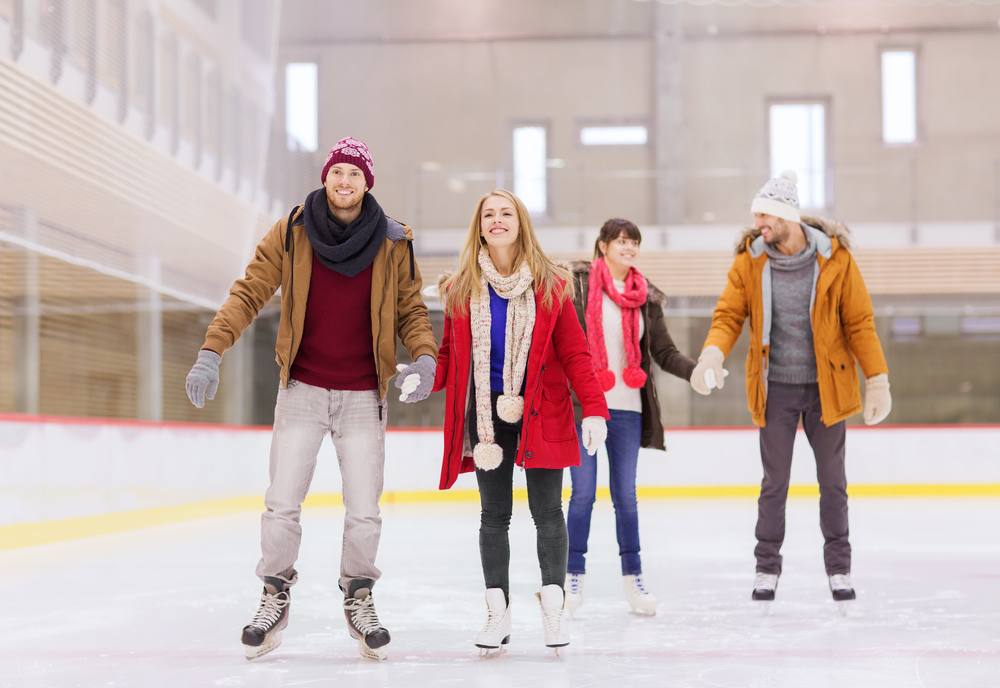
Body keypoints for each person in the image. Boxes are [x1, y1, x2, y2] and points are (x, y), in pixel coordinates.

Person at [184, 136, 437, 660]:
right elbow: (249, 290)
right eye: (338, 171)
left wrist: (425, 357)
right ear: (326, 176)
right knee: (281, 503)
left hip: (364, 393)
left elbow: (411, 309)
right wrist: (212, 349)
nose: (345, 181)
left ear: (367, 183)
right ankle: (274, 595)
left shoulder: (393, 240)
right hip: (302, 387)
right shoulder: (292, 231)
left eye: (355, 174)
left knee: (364, 509)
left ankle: (359, 595)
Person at [691, 170, 891, 602]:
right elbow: (728, 316)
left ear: (786, 216)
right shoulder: (750, 261)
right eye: (756, 216)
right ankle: (766, 568)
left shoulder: (836, 259)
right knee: (774, 483)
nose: (758, 224)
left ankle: (839, 569)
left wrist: (877, 379)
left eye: (764, 216)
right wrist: (712, 354)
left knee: (833, 482)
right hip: (775, 388)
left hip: (826, 388)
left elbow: (859, 323)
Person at [432, 189, 609, 654]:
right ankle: (498, 615)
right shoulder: (461, 288)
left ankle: (554, 612)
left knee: (547, 512)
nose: (497, 220)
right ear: (479, 228)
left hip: (542, 411)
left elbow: (576, 352)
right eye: (488, 215)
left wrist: (594, 407)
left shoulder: (551, 284)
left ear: (520, 223)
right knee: (494, 516)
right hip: (486, 418)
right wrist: (424, 376)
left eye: (506, 213)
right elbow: (449, 356)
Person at [564, 218, 696, 616]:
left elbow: (664, 352)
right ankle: (572, 577)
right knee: (583, 494)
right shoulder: (577, 286)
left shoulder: (645, 296)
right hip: (585, 408)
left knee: (625, 496)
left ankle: (634, 580)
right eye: (620, 240)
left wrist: (696, 372)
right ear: (603, 245)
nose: (628, 247)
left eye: (634, 241)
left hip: (628, 409)